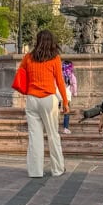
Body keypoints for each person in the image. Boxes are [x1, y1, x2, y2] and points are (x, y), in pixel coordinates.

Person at [12, 29, 68, 177]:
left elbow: (21, 74)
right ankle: (57, 169)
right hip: (48, 99)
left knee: (34, 136)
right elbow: (60, 82)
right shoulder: (55, 58)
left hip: (32, 99)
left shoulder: (28, 57)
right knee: (52, 134)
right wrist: (66, 102)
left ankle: (35, 171)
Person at [60, 60, 77, 136]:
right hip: (67, 95)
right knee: (67, 112)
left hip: (59, 95)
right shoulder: (71, 75)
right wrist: (74, 92)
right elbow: (74, 84)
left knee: (56, 112)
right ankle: (65, 128)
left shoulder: (60, 74)